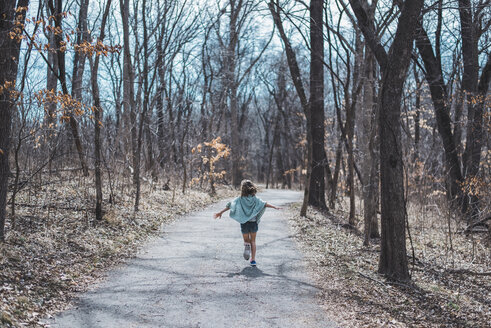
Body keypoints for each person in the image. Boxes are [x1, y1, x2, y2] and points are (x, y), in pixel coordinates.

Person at [213, 180, 281, 267]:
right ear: (252, 188)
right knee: (253, 241)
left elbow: (230, 205)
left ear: (242, 189)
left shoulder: (239, 199)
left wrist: (220, 212)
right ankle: (253, 260)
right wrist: (274, 207)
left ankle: (246, 245)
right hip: (253, 223)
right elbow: (264, 204)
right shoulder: (255, 199)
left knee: (246, 240)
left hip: (244, 223)